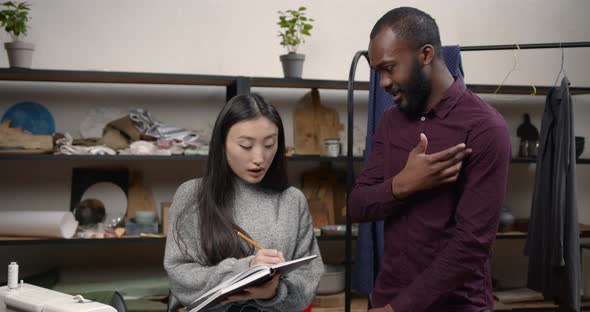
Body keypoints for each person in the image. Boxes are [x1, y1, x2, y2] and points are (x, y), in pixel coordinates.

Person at [349, 7, 512, 312]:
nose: (383, 82)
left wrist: (399, 309)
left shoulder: (486, 128)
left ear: (425, 54)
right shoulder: (389, 121)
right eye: (378, 72)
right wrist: (402, 185)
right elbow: (357, 205)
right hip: (385, 298)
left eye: (389, 68)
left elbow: (471, 246)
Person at [165, 94, 323, 312]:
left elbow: (308, 280)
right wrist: (245, 268)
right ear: (222, 144)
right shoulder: (193, 195)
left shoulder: (292, 200)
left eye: (269, 144)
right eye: (246, 146)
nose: (259, 157)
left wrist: (274, 293)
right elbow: (179, 277)